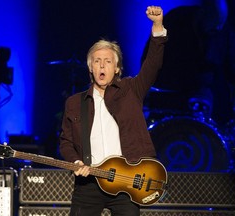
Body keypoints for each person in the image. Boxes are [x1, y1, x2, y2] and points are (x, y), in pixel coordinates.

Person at [59, 5, 167, 216]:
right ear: (90, 67)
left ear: (117, 68)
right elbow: (65, 141)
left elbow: (152, 64)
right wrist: (76, 162)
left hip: (126, 183)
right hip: (89, 183)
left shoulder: (131, 90)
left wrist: (157, 26)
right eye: (97, 62)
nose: (102, 66)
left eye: (108, 61)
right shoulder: (74, 102)